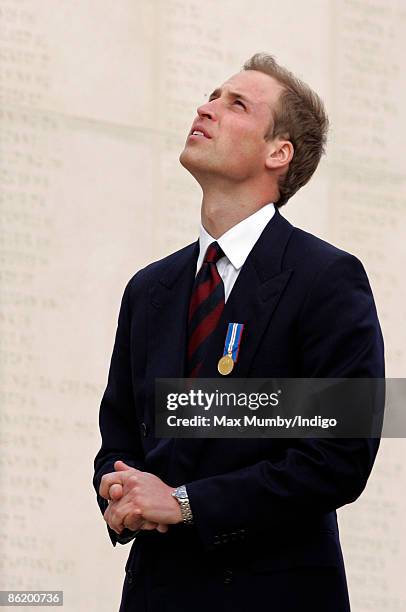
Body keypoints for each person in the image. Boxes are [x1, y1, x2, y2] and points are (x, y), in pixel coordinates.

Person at [93, 53, 384, 612]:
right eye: (211, 96)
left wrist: (185, 502)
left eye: (236, 103)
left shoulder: (326, 278)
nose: (206, 108)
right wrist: (117, 486)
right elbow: (120, 435)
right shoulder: (148, 290)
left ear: (279, 153)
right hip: (158, 593)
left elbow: (339, 455)